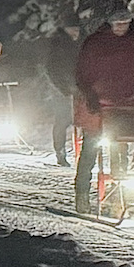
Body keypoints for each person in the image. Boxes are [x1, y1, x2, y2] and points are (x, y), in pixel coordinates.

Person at [73, 11, 134, 214]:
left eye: (125, 23)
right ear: (109, 23)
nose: (121, 28)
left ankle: (117, 197)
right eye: (117, 24)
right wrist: (89, 95)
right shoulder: (95, 44)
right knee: (90, 149)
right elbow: (82, 74)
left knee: (120, 149)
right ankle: (82, 194)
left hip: (124, 107)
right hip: (97, 106)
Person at [42, 22, 83, 166]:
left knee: (84, 120)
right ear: (65, 29)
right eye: (72, 28)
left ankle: (82, 152)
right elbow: (51, 69)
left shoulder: (80, 43)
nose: (75, 32)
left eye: (77, 28)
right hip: (61, 90)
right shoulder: (58, 44)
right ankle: (60, 153)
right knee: (62, 121)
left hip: (78, 88)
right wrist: (63, 88)